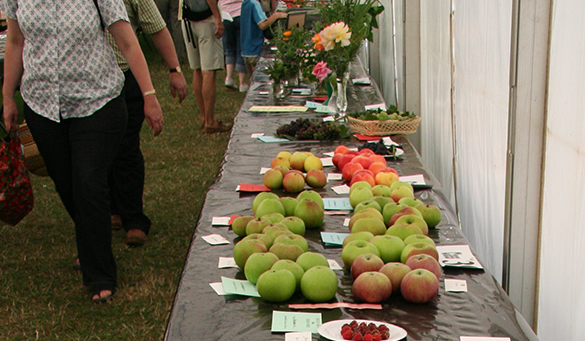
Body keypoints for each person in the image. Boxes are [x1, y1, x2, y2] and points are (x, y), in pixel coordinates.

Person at [1, 0, 163, 303]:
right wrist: (8, 96)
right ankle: (92, 239)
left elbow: (127, 40)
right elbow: (15, 40)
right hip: (42, 104)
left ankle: (100, 274)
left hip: (98, 101)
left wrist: (149, 95)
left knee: (88, 180)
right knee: (68, 185)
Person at [105, 0, 188, 247]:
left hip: (125, 75)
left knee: (126, 147)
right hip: (89, 81)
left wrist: (174, 69)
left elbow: (157, 27)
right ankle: (111, 209)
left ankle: (133, 219)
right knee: (96, 148)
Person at [180, 0, 232, 133]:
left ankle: (204, 117)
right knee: (208, 71)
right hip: (206, 20)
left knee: (197, 69)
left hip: (187, 18)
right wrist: (217, 18)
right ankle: (210, 121)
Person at [240, 0, 287, 77]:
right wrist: (276, 15)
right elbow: (262, 25)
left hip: (246, 50)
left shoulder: (245, 3)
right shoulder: (255, 4)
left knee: (251, 80)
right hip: (255, 48)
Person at [220, 0, 248, 92]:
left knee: (229, 46)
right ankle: (242, 83)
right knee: (242, 47)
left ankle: (229, 77)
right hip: (241, 12)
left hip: (225, 13)